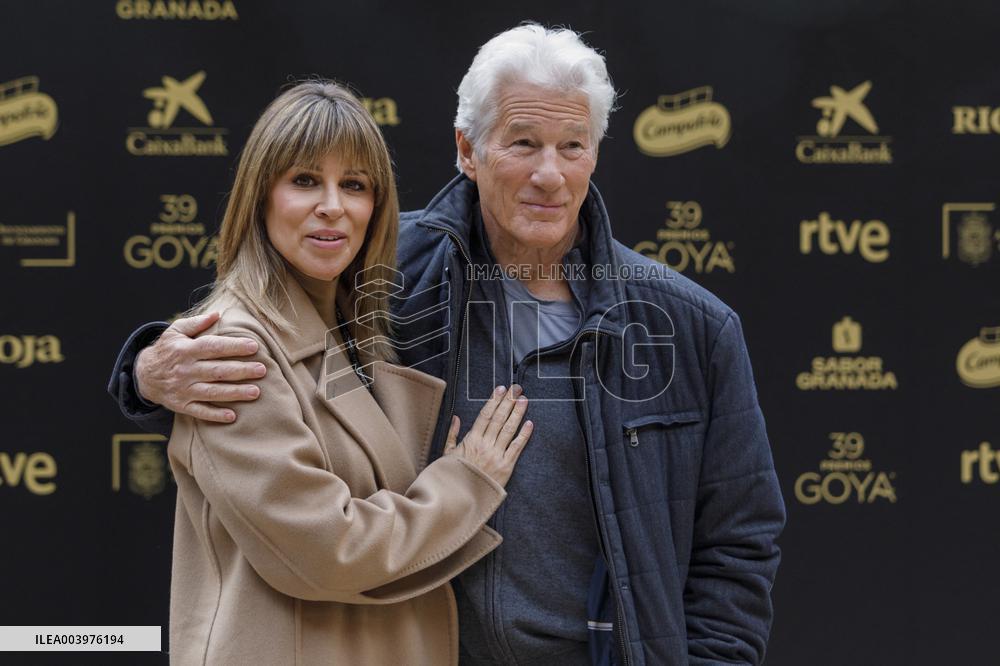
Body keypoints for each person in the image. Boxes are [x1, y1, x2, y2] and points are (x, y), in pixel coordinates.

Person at [110, 26, 786, 665]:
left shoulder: (691, 325)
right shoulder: (383, 275)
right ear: (468, 150)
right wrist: (144, 371)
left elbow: (739, 543)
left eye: (572, 146)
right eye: (522, 142)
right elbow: (263, 311)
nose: (550, 173)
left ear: (595, 155)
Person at [122, 80, 535, 665]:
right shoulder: (235, 350)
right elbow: (330, 550)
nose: (334, 206)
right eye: (306, 181)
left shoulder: (356, 327)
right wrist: (467, 481)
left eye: (355, 185)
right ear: (260, 195)